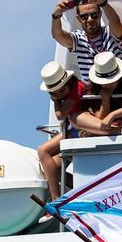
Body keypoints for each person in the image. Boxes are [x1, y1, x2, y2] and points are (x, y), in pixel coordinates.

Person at [36, 62, 91, 198]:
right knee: (51, 168)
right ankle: (77, 192)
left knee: (43, 151)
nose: (59, 94)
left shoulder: (76, 89)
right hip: (74, 131)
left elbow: (60, 115)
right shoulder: (71, 88)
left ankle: (56, 199)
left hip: (82, 130)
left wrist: (55, 100)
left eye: (61, 90)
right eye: (56, 92)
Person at [51, 0, 122, 82]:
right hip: (96, 93)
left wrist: (103, 3)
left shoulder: (110, 32)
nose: (90, 20)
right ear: (78, 19)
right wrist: (56, 16)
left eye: (94, 15)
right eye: (84, 16)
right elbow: (58, 35)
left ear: (100, 15)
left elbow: (116, 23)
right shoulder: (78, 39)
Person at [74, 52, 122, 136]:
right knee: (74, 117)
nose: (108, 84)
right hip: (107, 125)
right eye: (104, 82)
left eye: (111, 80)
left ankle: (101, 131)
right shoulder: (96, 88)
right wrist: (105, 100)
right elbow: (100, 119)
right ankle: (118, 130)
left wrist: (113, 115)